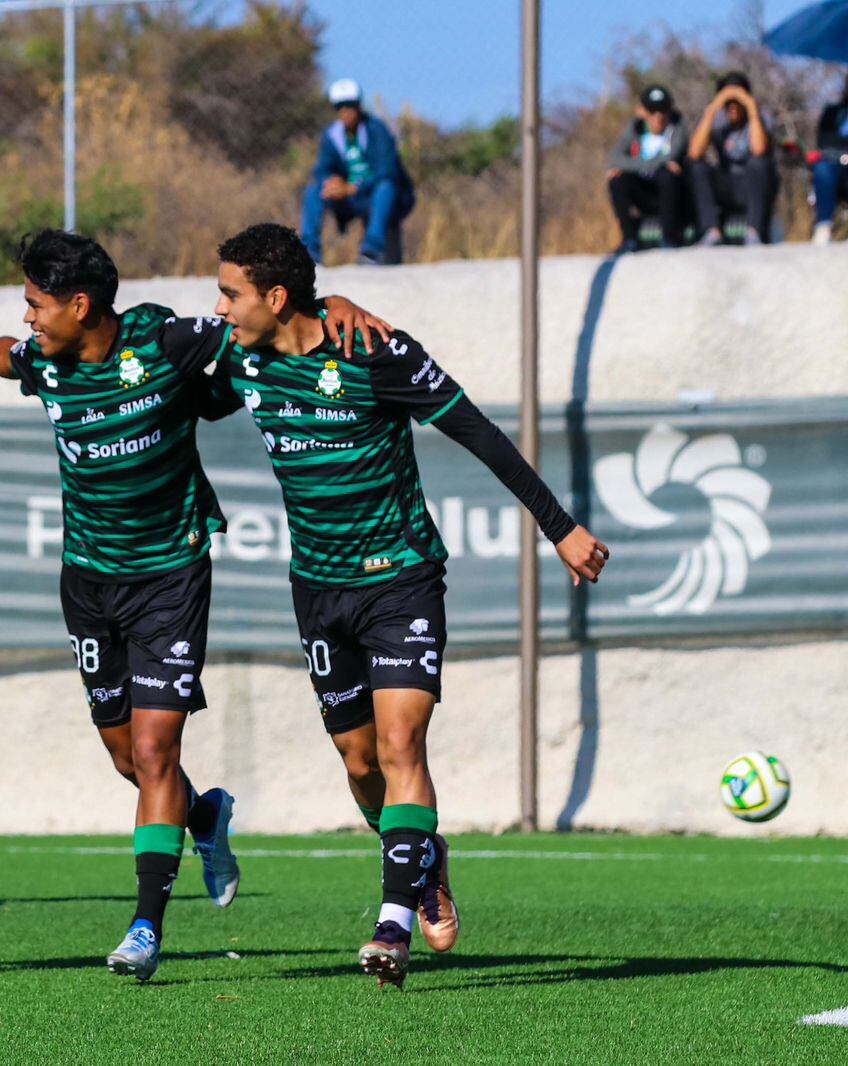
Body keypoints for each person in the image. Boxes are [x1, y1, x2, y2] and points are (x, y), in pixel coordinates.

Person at [0, 230, 389, 981]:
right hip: (87, 581)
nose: (26, 318)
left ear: (80, 306)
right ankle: (204, 817)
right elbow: (5, 357)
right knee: (128, 757)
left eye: (34, 304)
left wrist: (335, 302)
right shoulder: (41, 358)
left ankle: (146, 928)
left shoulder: (166, 338)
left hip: (170, 578)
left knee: (157, 752)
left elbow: (267, 322)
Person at [202, 223, 609, 988]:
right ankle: (425, 858)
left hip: (401, 579)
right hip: (317, 591)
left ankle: (392, 925)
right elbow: (149, 379)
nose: (219, 307)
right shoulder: (234, 356)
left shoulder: (375, 352)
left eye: (230, 292)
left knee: (400, 745)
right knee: (360, 763)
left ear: (276, 297)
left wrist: (560, 528)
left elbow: (480, 433)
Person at [301, 78, 416, 267]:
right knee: (314, 189)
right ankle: (310, 253)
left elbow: (388, 170)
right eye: (340, 106)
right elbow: (322, 168)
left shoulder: (377, 130)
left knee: (386, 187)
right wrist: (333, 181)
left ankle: (371, 249)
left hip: (373, 195)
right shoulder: (332, 136)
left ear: (359, 106)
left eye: (351, 105)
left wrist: (354, 188)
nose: (346, 111)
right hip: (347, 198)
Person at [687, 72, 777, 246]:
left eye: (737, 101)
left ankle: (754, 232)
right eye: (728, 101)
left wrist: (750, 107)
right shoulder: (718, 119)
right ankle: (711, 231)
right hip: (726, 184)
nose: (733, 106)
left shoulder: (760, 117)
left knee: (758, 163)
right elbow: (694, 153)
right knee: (696, 166)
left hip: (753, 185)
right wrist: (713, 108)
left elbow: (759, 149)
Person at [606, 84, 690, 253]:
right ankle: (629, 239)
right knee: (617, 178)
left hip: (671, 197)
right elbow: (614, 159)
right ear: (641, 111)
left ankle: (669, 238)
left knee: (668, 175)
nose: (658, 116)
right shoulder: (634, 128)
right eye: (652, 111)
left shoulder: (678, 126)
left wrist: (630, 164)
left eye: (663, 110)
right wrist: (647, 164)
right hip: (644, 193)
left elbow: (672, 156)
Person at [810, 74, 848, 245]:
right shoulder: (832, 112)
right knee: (822, 167)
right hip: (835, 164)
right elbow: (823, 142)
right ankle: (824, 226)